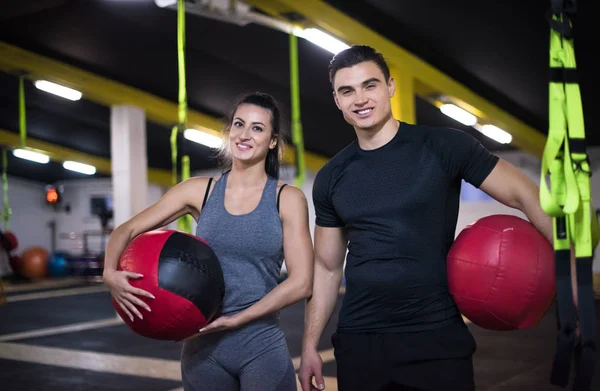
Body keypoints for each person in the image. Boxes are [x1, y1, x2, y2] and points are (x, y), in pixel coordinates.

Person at [297, 45, 557, 391]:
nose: (360, 98)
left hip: (435, 338)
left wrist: (573, 277)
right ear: (336, 100)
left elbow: (525, 194)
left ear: (390, 86)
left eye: (369, 85)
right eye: (347, 91)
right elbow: (328, 268)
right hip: (361, 341)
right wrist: (310, 344)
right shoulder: (331, 176)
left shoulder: (443, 146)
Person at [102, 92, 314, 391]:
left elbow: (302, 282)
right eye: (239, 124)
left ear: (273, 141)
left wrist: (237, 319)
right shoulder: (198, 191)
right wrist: (109, 273)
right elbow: (126, 230)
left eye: (257, 128)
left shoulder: (287, 199)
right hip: (203, 350)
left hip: (260, 345)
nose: (244, 134)